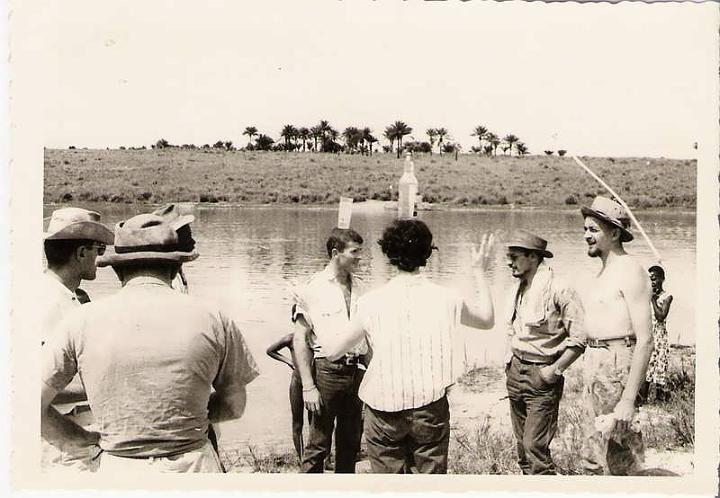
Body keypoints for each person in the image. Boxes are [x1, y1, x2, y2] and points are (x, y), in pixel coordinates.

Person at [41, 212, 259, 473]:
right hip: (193, 466)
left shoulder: (82, 320)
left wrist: (77, 437)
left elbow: (28, 402)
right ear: (176, 266)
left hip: (120, 469)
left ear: (117, 268)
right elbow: (235, 405)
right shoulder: (214, 317)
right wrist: (182, 419)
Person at [325, 219, 495, 473]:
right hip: (430, 407)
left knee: (388, 488)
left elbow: (333, 351)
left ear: (389, 253)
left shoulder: (371, 302)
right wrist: (479, 271)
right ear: (427, 252)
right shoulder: (448, 298)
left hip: (383, 409)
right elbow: (487, 320)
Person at [579, 196, 653, 475]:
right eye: (585, 229)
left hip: (617, 365)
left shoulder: (630, 269)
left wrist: (628, 399)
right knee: (594, 449)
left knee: (622, 450)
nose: (587, 236)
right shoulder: (604, 271)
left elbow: (645, 339)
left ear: (614, 233)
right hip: (595, 364)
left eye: (594, 230)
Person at [503, 230, 586, 475]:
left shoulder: (559, 289)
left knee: (534, 446)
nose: (510, 262)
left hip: (543, 374)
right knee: (522, 446)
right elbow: (512, 330)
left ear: (533, 257)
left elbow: (580, 338)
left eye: (515, 257)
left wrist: (554, 371)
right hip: (516, 371)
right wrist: (509, 364)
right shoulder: (518, 290)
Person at [40, 206, 114, 471]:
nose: (100, 259)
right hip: (61, 441)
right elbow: (26, 389)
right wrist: (107, 385)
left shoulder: (62, 296)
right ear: (82, 253)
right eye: (99, 250)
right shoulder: (51, 304)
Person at [292, 227, 367, 473]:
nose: (360, 257)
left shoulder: (361, 288)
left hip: (356, 372)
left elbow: (367, 336)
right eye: (354, 252)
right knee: (318, 445)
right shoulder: (313, 287)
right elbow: (300, 339)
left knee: (350, 445)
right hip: (327, 373)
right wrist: (308, 386)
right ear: (336, 253)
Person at [266, 328, 309, 460]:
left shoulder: (316, 338)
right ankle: (302, 459)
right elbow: (270, 351)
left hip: (314, 384)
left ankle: (324, 459)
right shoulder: (290, 338)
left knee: (319, 423)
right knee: (297, 423)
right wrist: (289, 361)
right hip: (297, 383)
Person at [640, 265, 674, 403]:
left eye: (654, 279)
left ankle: (660, 401)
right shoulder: (646, 295)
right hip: (648, 335)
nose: (651, 282)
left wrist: (653, 299)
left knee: (660, 367)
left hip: (659, 338)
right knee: (646, 368)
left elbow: (661, 316)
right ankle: (642, 400)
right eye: (649, 280)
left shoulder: (666, 297)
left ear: (662, 279)